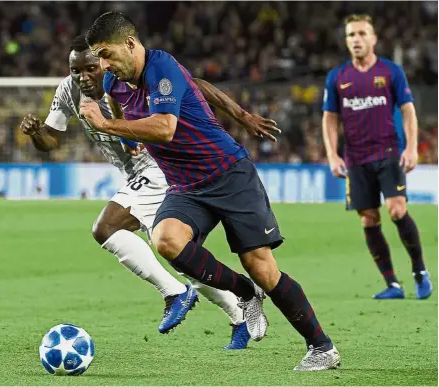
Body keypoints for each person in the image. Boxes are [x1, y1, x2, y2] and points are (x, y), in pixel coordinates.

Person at [82, 11, 340, 371]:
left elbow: (166, 128)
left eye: (107, 54)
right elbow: (193, 85)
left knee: (261, 267)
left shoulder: (161, 67)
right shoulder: (114, 84)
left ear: (130, 44)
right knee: (165, 239)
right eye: (98, 57)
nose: (104, 65)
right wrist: (129, 141)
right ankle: (245, 293)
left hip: (229, 174)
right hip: (186, 186)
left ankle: (321, 347)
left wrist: (108, 125)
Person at [20, 34, 279, 350]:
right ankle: (238, 314)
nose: (83, 77)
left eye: (90, 69)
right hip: (136, 174)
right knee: (183, 257)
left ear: (104, 62)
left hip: (159, 168)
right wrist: (36, 134)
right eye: (76, 71)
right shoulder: (68, 91)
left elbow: (193, 84)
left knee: (106, 228)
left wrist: (241, 115)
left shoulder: (128, 78)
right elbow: (51, 139)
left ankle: (175, 293)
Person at [322, 14, 433, 300]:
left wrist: (411, 147)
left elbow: (408, 110)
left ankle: (419, 271)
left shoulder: (391, 71)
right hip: (356, 158)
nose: (356, 39)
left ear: (373, 38)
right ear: (346, 41)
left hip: (388, 153)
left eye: (361, 33)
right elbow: (330, 118)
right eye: (351, 35)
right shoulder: (337, 77)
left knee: (397, 209)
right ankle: (392, 284)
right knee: (369, 219)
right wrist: (332, 155)